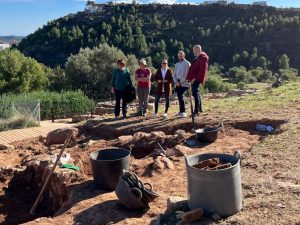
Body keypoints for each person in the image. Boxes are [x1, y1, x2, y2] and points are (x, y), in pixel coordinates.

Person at [186, 45, 209, 116]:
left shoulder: (203, 57)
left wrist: (194, 78)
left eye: (194, 50)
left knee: (195, 93)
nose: (193, 52)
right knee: (197, 93)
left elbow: (202, 70)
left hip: (197, 78)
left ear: (197, 50)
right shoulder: (199, 57)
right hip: (194, 78)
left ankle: (196, 111)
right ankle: (200, 108)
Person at [173, 51, 191, 118]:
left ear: (184, 55)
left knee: (180, 95)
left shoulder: (187, 63)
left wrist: (180, 82)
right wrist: (176, 82)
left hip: (184, 83)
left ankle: (183, 112)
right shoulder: (177, 64)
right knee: (179, 96)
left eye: (181, 56)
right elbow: (174, 74)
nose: (180, 57)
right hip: (177, 83)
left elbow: (187, 75)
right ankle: (181, 111)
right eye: (179, 56)